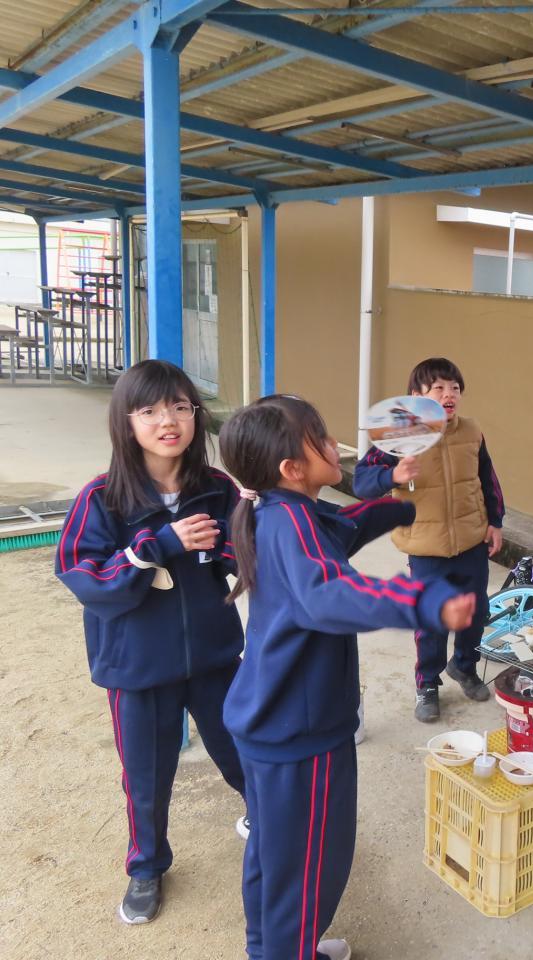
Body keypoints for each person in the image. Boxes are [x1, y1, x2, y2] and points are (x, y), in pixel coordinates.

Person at [219, 395, 475, 960]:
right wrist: (422, 601)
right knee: (310, 870)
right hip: (301, 735)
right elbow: (328, 593)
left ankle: (271, 950)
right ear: (292, 468)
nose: (335, 445)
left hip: (271, 726)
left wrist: (399, 508)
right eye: (321, 438)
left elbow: (341, 527)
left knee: (275, 861)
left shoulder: (282, 512)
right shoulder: (291, 523)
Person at [54, 359, 248, 925]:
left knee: (243, 749)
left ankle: (266, 817)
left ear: (196, 415)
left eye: (181, 407)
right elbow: (84, 579)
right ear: (127, 421)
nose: (169, 421)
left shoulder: (217, 489)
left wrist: (239, 540)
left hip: (213, 656)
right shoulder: (101, 497)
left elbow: (245, 556)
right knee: (146, 775)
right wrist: (157, 545)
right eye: (151, 411)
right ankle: (146, 867)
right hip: (137, 669)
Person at [353, 358, 504, 723]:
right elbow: (361, 483)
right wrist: (392, 475)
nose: (448, 394)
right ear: (416, 397)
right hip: (425, 546)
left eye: (455, 388)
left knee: (475, 612)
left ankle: (464, 666)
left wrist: (495, 522)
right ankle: (427, 683)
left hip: (471, 540)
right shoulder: (400, 434)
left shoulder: (472, 430)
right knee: (432, 618)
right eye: (438, 388)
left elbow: (488, 479)